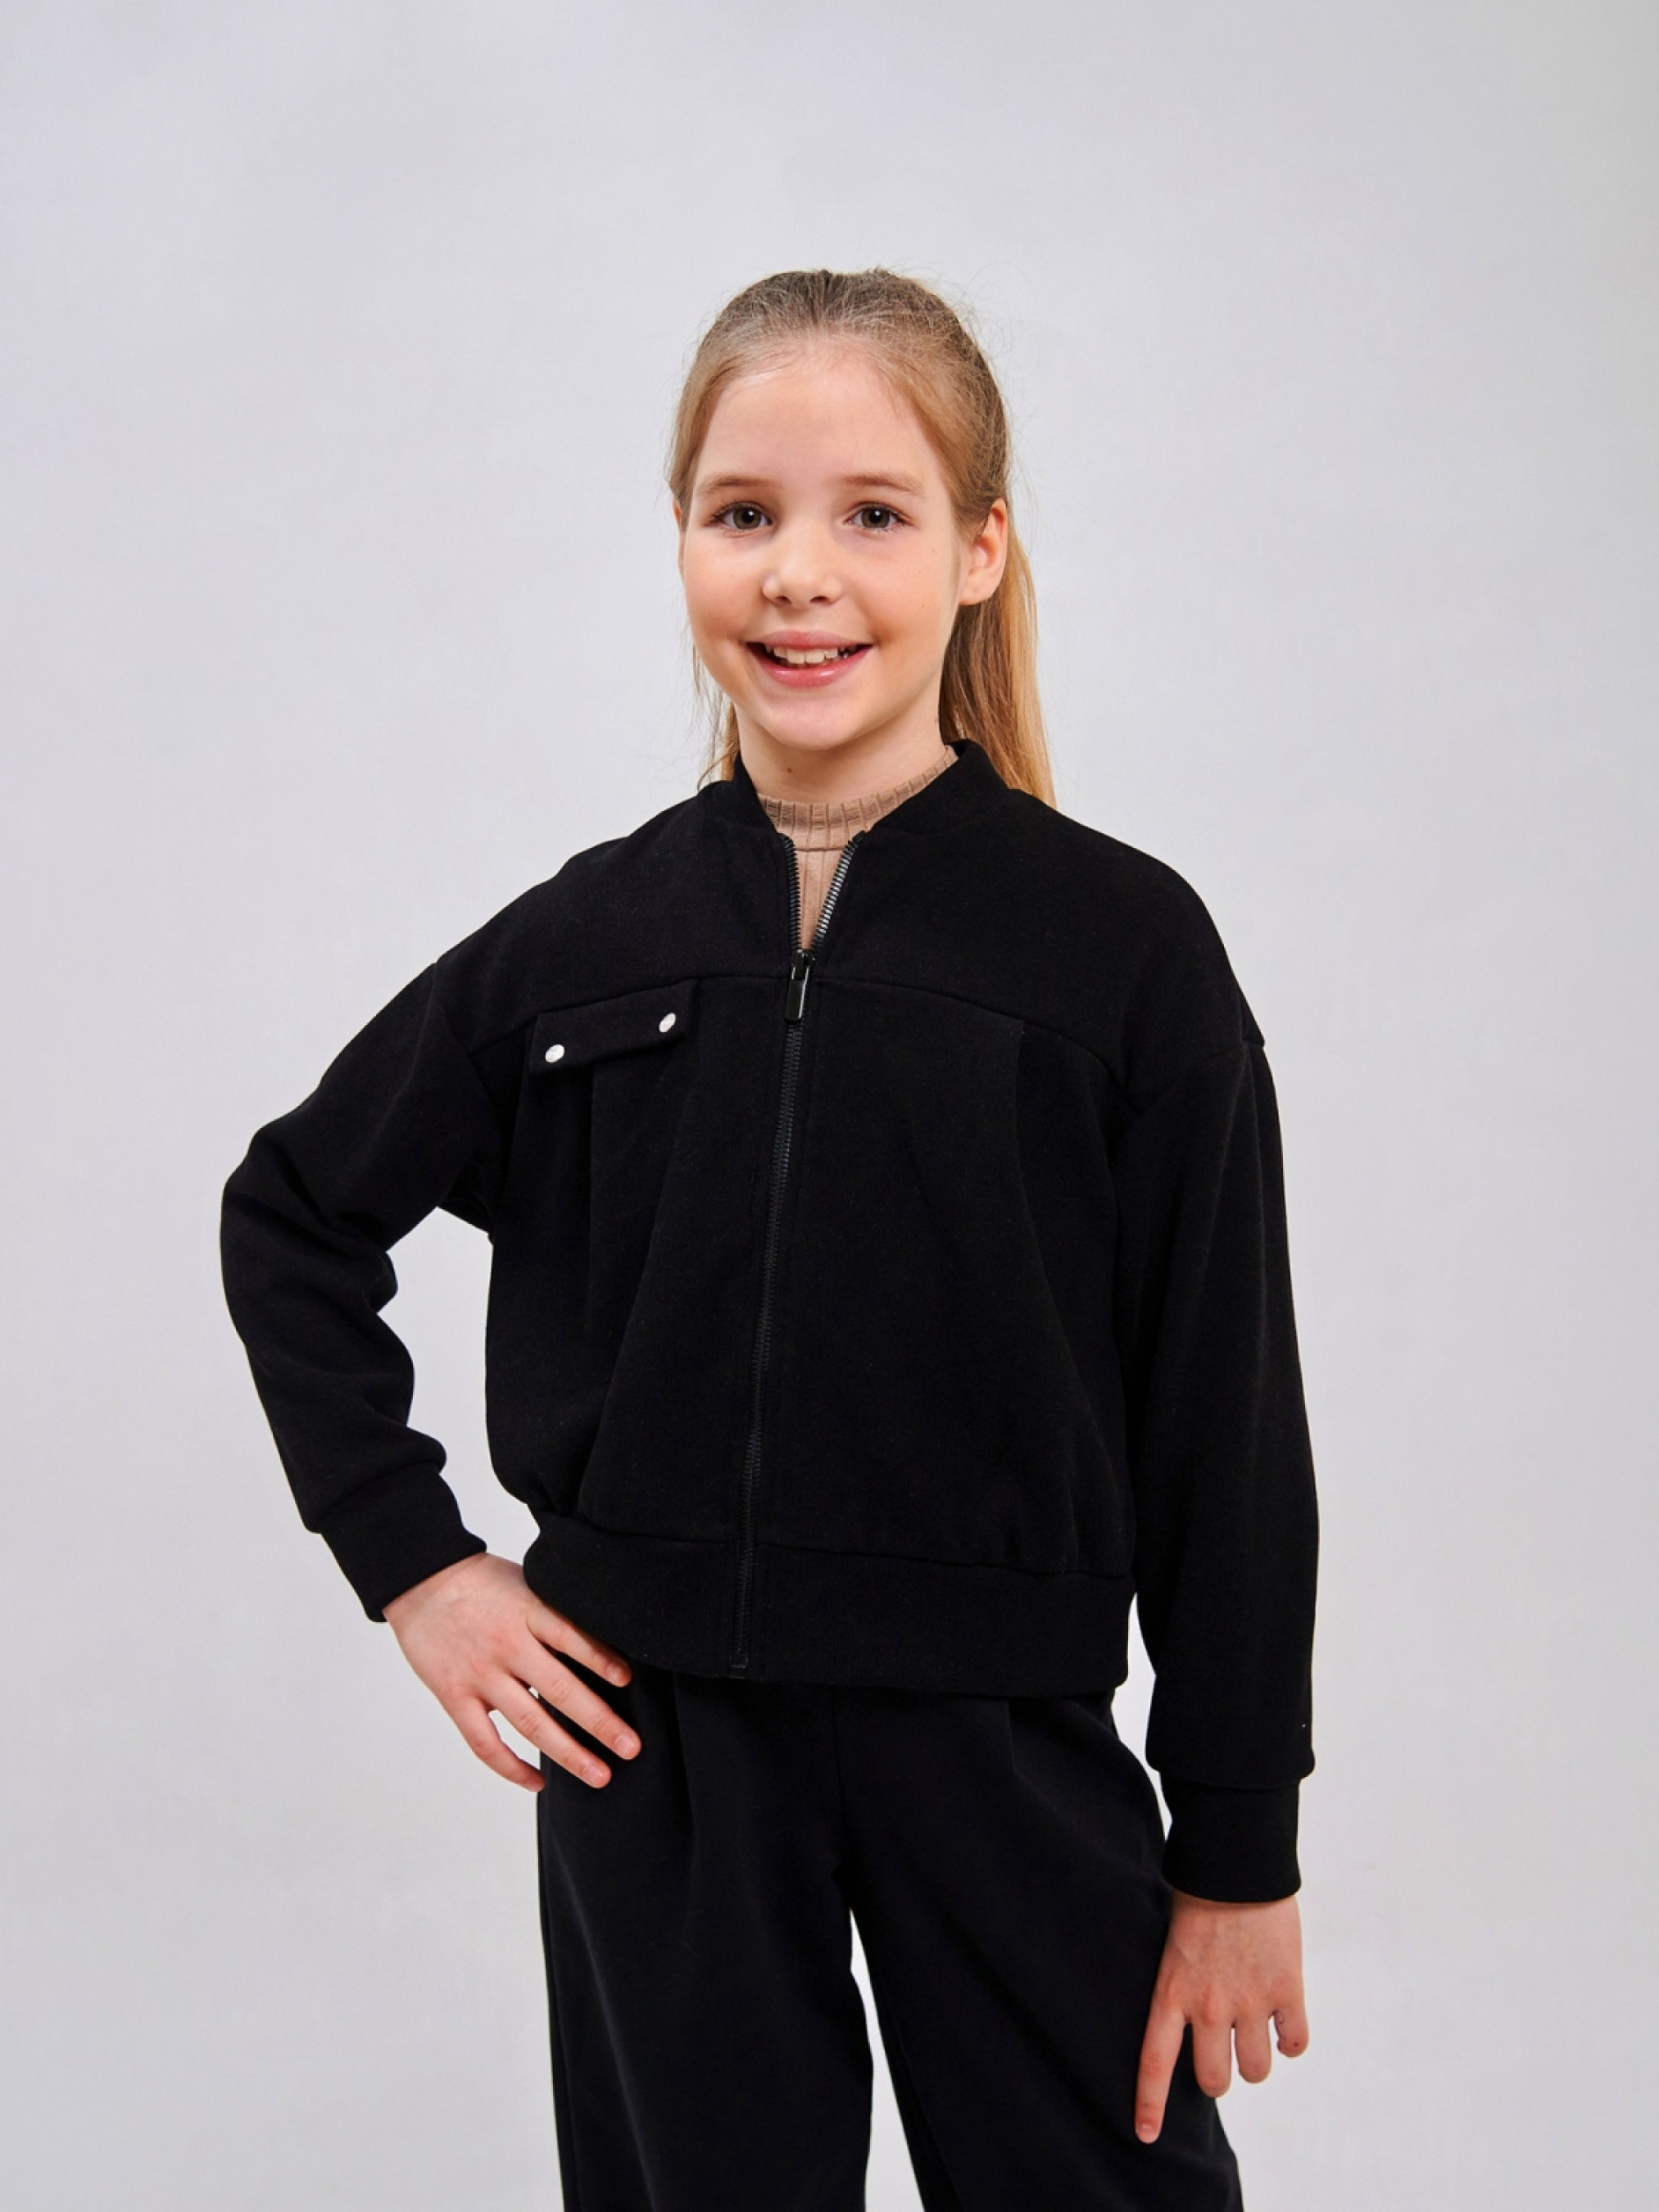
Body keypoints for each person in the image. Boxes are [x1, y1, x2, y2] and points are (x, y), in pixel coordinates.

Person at [221, 267, 1317, 2210]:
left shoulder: (1118, 953)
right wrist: (417, 1566)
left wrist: (1236, 1847)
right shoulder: (588, 938)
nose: (798, 573)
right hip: (655, 1755)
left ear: (978, 552)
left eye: (871, 514)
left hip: (1001, 1749)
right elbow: (293, 1212)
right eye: (743, 513)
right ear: (681, 542)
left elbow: (1221, 1428)